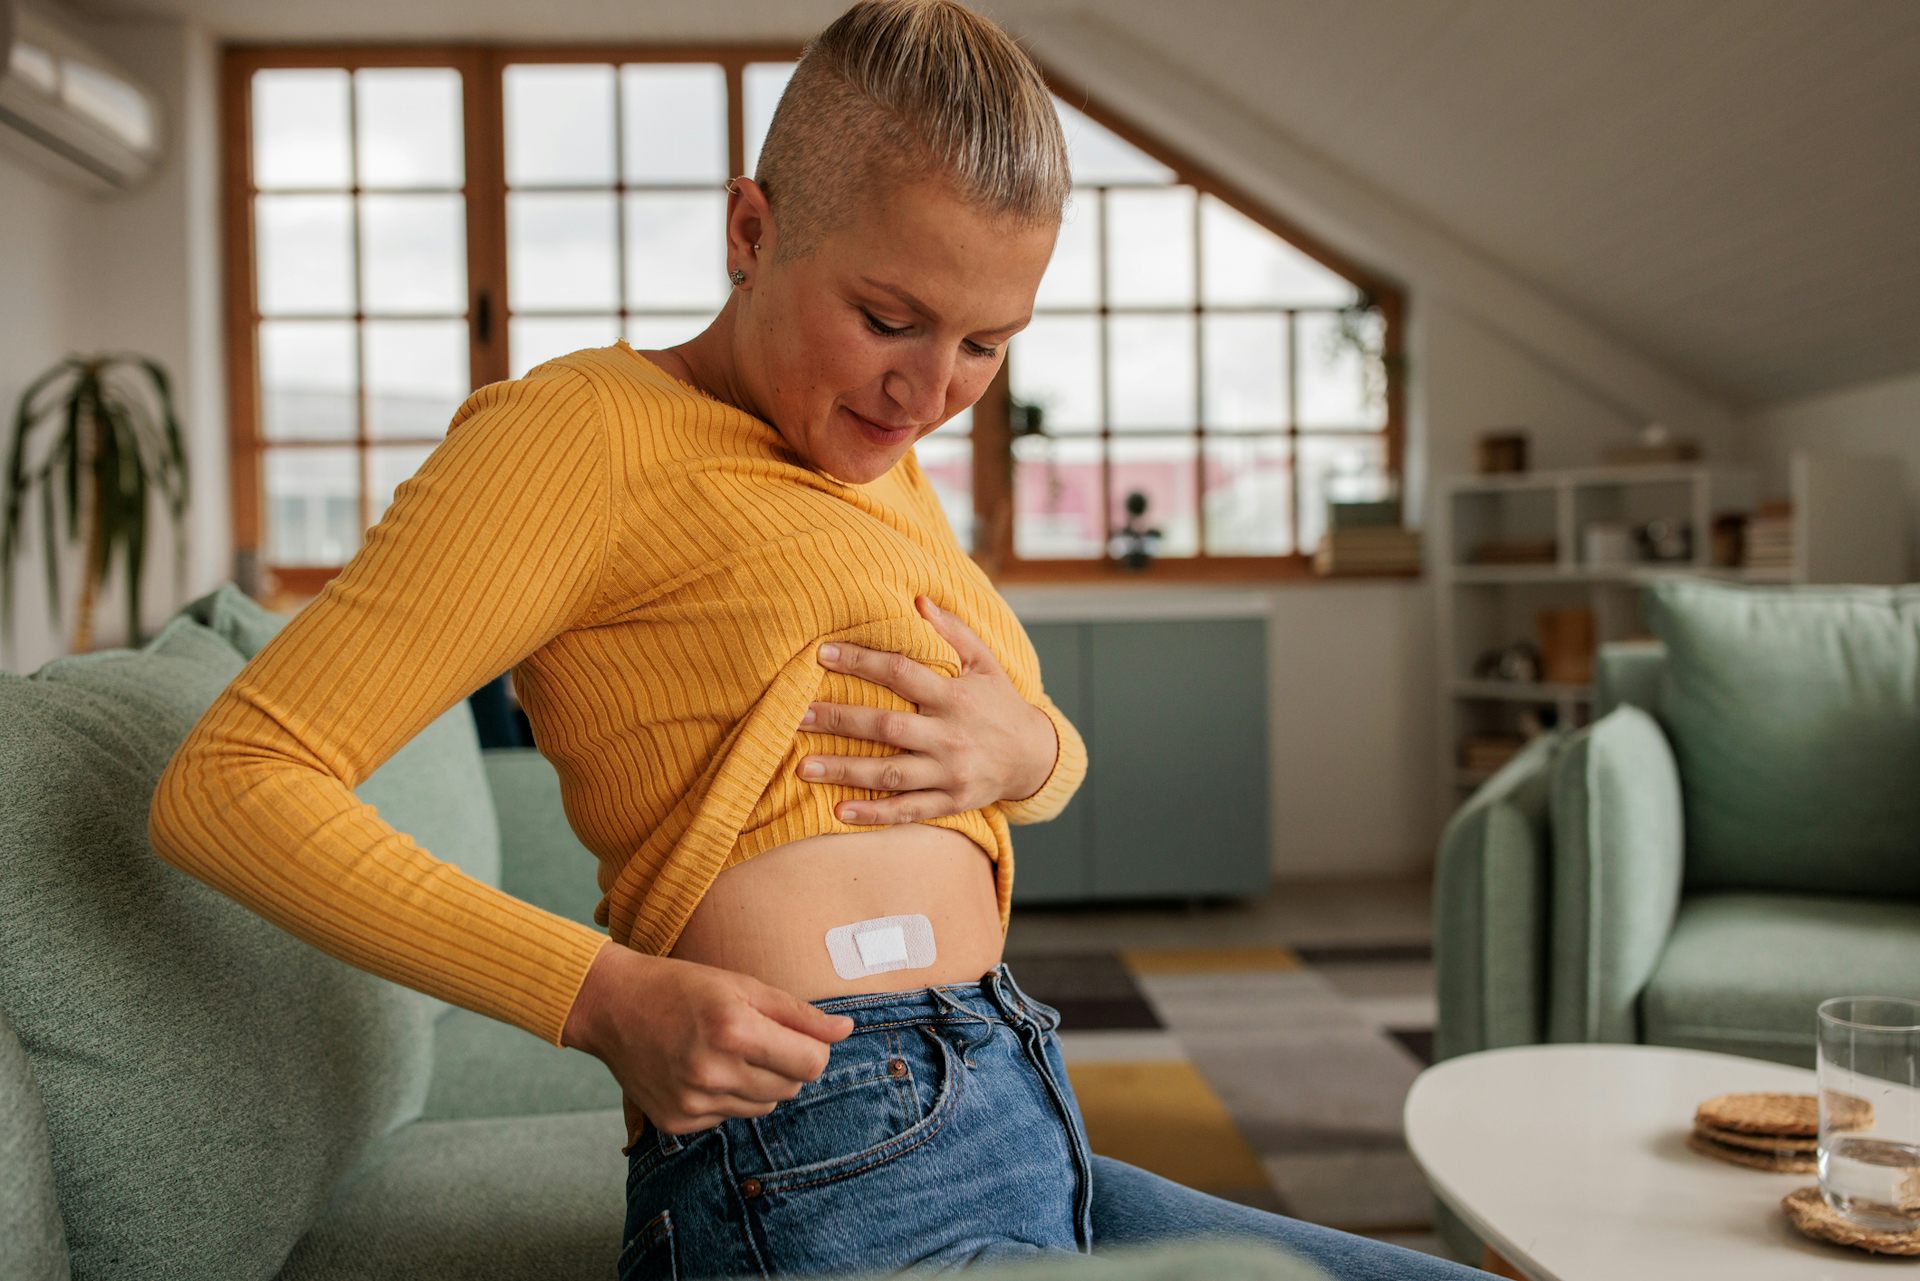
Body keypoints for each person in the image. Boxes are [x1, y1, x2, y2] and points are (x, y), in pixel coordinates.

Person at [149, 1, 1488, 1277]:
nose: (928, 392)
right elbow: (232, 784)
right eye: (888, 320)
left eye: (984, 343)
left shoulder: (875, 465)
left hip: (1015, 1081)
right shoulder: (575, 436)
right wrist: (600, 994)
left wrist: (1027, 746)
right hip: (813, 1133)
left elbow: (1032, 741)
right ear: (749, 227)